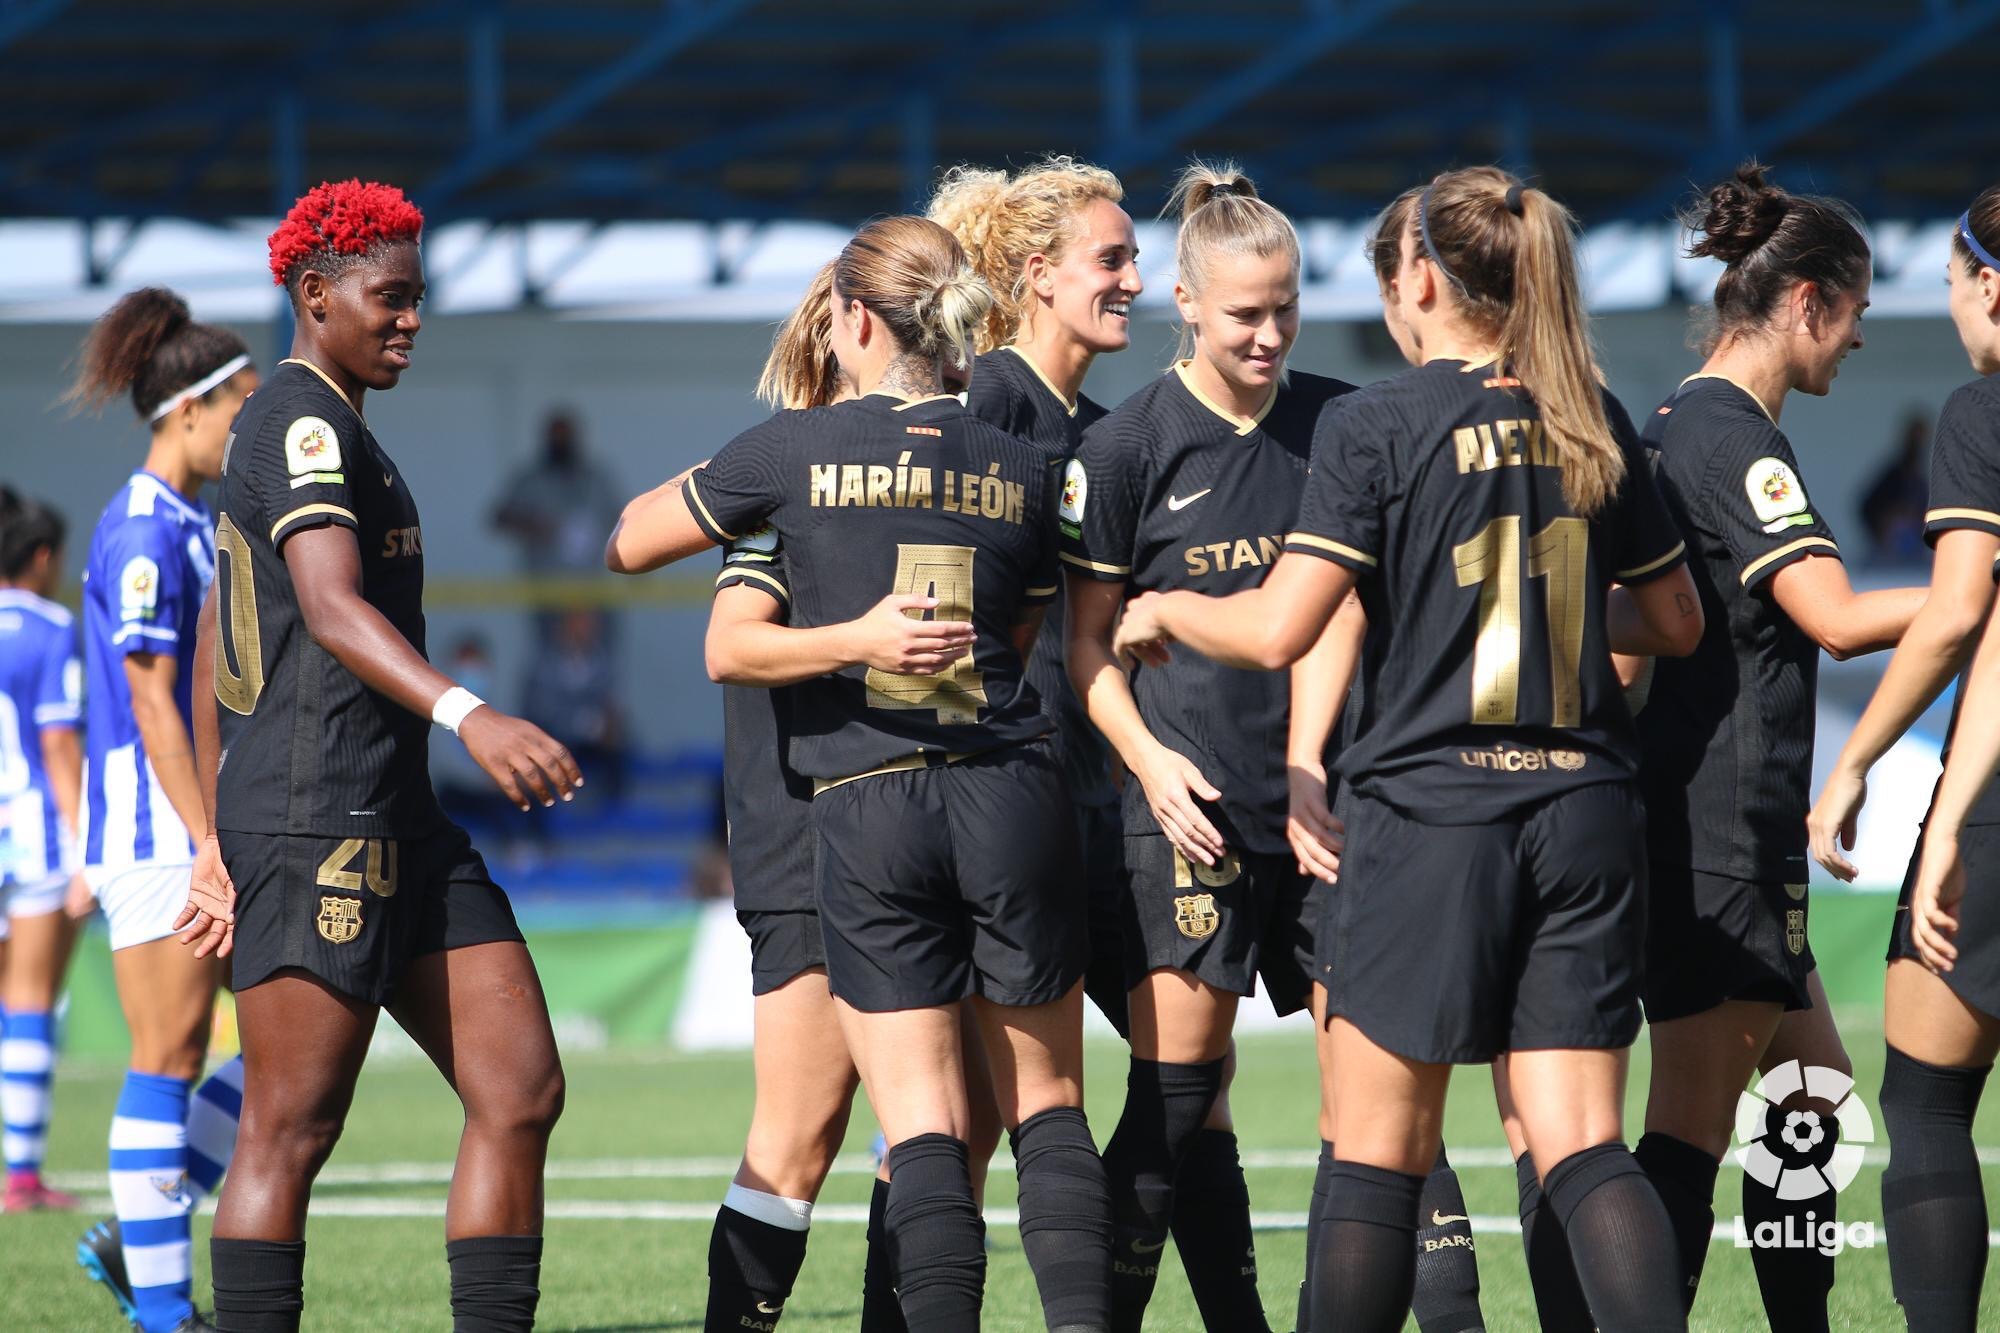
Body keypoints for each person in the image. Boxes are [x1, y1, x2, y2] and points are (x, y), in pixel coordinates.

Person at [1110, 166, 1703, 1333]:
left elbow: (1276, 628)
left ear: (1419, 280)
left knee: (1375, 1157)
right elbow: (1673, 620)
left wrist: (1164, 609)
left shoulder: (1372, 420)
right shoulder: (1585, 407)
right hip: (1584, 807)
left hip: (1432, 815)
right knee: (1581, 1142)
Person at [605, 215, 1111, 1332]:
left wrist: (851, 623)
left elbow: (635, 548)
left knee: (928, 1128)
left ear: (852, 322)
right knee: (850, 1128)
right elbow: (1020, 638)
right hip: (910, 805)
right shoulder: (1015, 466)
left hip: (866, 804)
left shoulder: (782, 461)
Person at [1061, 162, 1479, 1333]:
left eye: (1285, 308)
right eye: (1243, 313)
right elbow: (1085, 649)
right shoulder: (1127, 449)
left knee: (1383, 1103)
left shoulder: (1347, 425)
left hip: (1336, 813)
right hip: (1187, 818)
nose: (1267, 334)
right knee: (1175, 1092)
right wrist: (1150, 764)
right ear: (1185, 303)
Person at [173, 179, 581, 1333]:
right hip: (314, 819)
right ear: (314, 294)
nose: (411, 319)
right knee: (289, 1127)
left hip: (402, 816)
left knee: (520, 1087)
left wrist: (211, 820)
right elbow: (330, 605)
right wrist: (472, 714)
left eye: (416, 296)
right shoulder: (297, 423)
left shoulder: (342, 428)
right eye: (388, 297)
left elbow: (215, 646)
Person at [1617, 163, 1921, 1331]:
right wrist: (1971, 591)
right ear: (1804, 302)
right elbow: (1833, 617)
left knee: (1810, 1099)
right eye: (1851, 314)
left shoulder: (1675, 423)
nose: (1855, 339)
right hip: (1714, 831)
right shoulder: (1729, 441)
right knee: (1686, 1133)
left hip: (1719, 828)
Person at [1807, 182, 2000, 1333]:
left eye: (1947, 286)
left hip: (1994, 807)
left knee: (1926, 1106)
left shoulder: (1981, 414)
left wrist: (1864, 766)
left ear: (1990, 287)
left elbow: (1966, 613)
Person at [65, 287, 258, 1333]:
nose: (253, 429)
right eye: (244, 407)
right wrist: (204, 840)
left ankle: (138, 1241)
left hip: (197, 823)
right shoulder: (142, 529)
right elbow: (150, 701)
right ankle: (165, 1312)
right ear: (191, 409)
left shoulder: (193, 521)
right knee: (170, 1055)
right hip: (159, 832)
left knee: (291, 1040)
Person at [0, 491, 84, 1212]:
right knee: (28, 998)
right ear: (42, 557)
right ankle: (21, 1177)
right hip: (30, 836)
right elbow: (58, 743)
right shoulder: (52, 626)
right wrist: (87, 843)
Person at [1859, 411, 1932, 566]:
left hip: (1914, 555)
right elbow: (1867, 507)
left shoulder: (1920, 474)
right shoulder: (1895, 474)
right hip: (1889, 555)